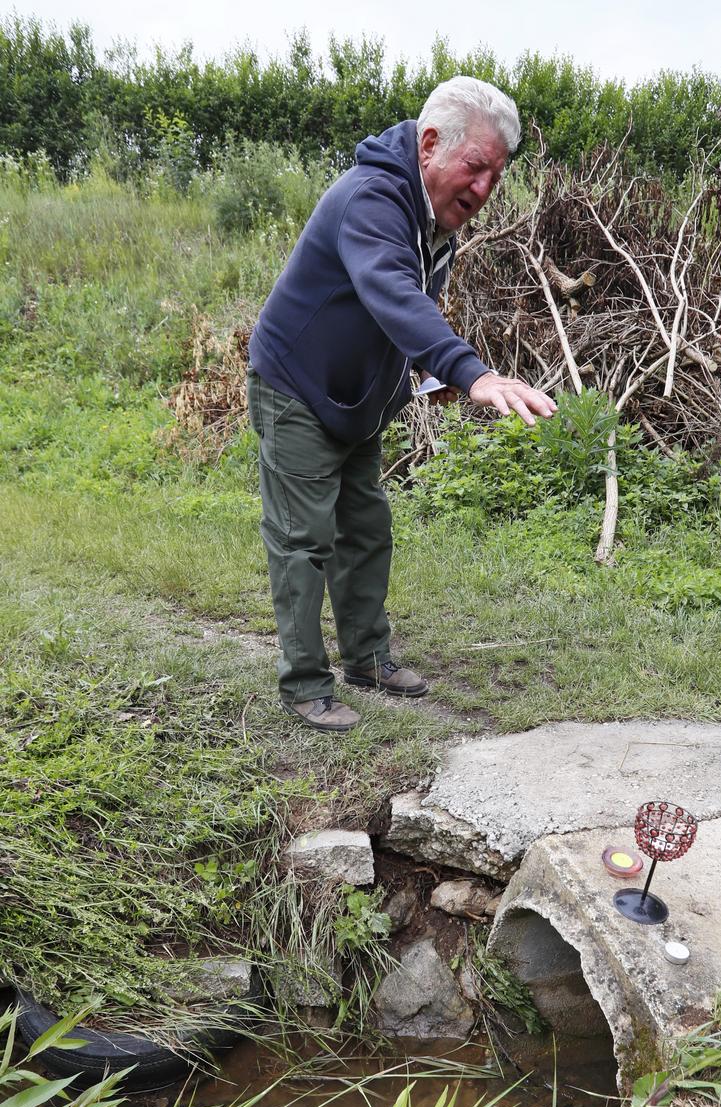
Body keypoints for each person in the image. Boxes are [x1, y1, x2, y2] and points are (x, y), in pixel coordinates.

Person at [247, 76, 556, 732]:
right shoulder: (372, 200)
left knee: (366, 529)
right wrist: (469, 371)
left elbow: (396, 317)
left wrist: (429, 380)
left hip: (354, 398)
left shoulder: (427, 214)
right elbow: (391, 289)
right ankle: (306, 684)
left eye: (494, 178)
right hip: (296, 386)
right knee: (304, 540)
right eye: (475, 168)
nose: (482, 191)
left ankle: (367, 659)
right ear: (428, 146)